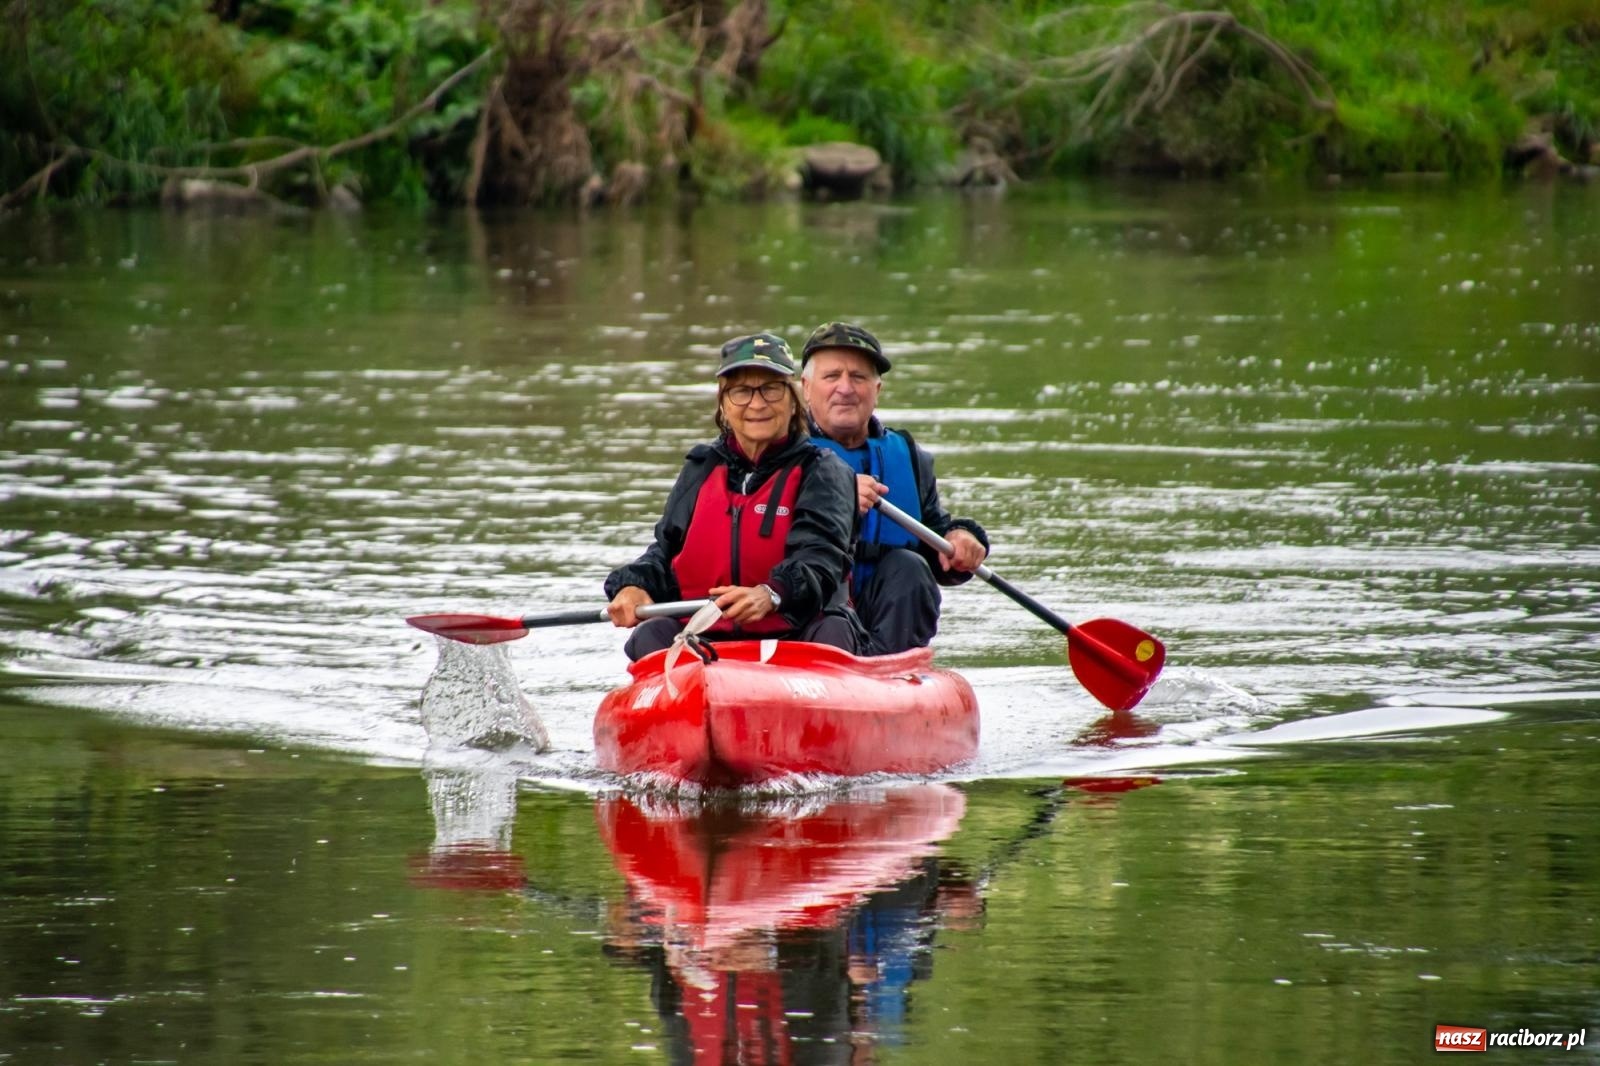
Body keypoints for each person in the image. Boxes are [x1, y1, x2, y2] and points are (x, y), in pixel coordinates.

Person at [605, 332, 862, 660]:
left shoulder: (823, 470)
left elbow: (821, 559)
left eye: (770, 389)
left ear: (793, 397)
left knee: (833, 633)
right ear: (724, 402)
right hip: (707, 638)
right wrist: (632, 586)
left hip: (794, 634)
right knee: (650, 634)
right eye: (741, 391)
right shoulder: (701, 467)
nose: (757, 404)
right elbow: (664, 554)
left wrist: (771, 593)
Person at [799, 321, 990, 656]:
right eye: (832, 376)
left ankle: (888, 675)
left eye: (858, 377)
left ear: (877, 389)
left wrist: (961, 537)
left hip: (886, 619)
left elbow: (933, 533)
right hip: (813, 612)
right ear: (805, 388)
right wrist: (837, 498)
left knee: (909, 565)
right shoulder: (781, 453)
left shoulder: (909, 457)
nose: (845, 388)